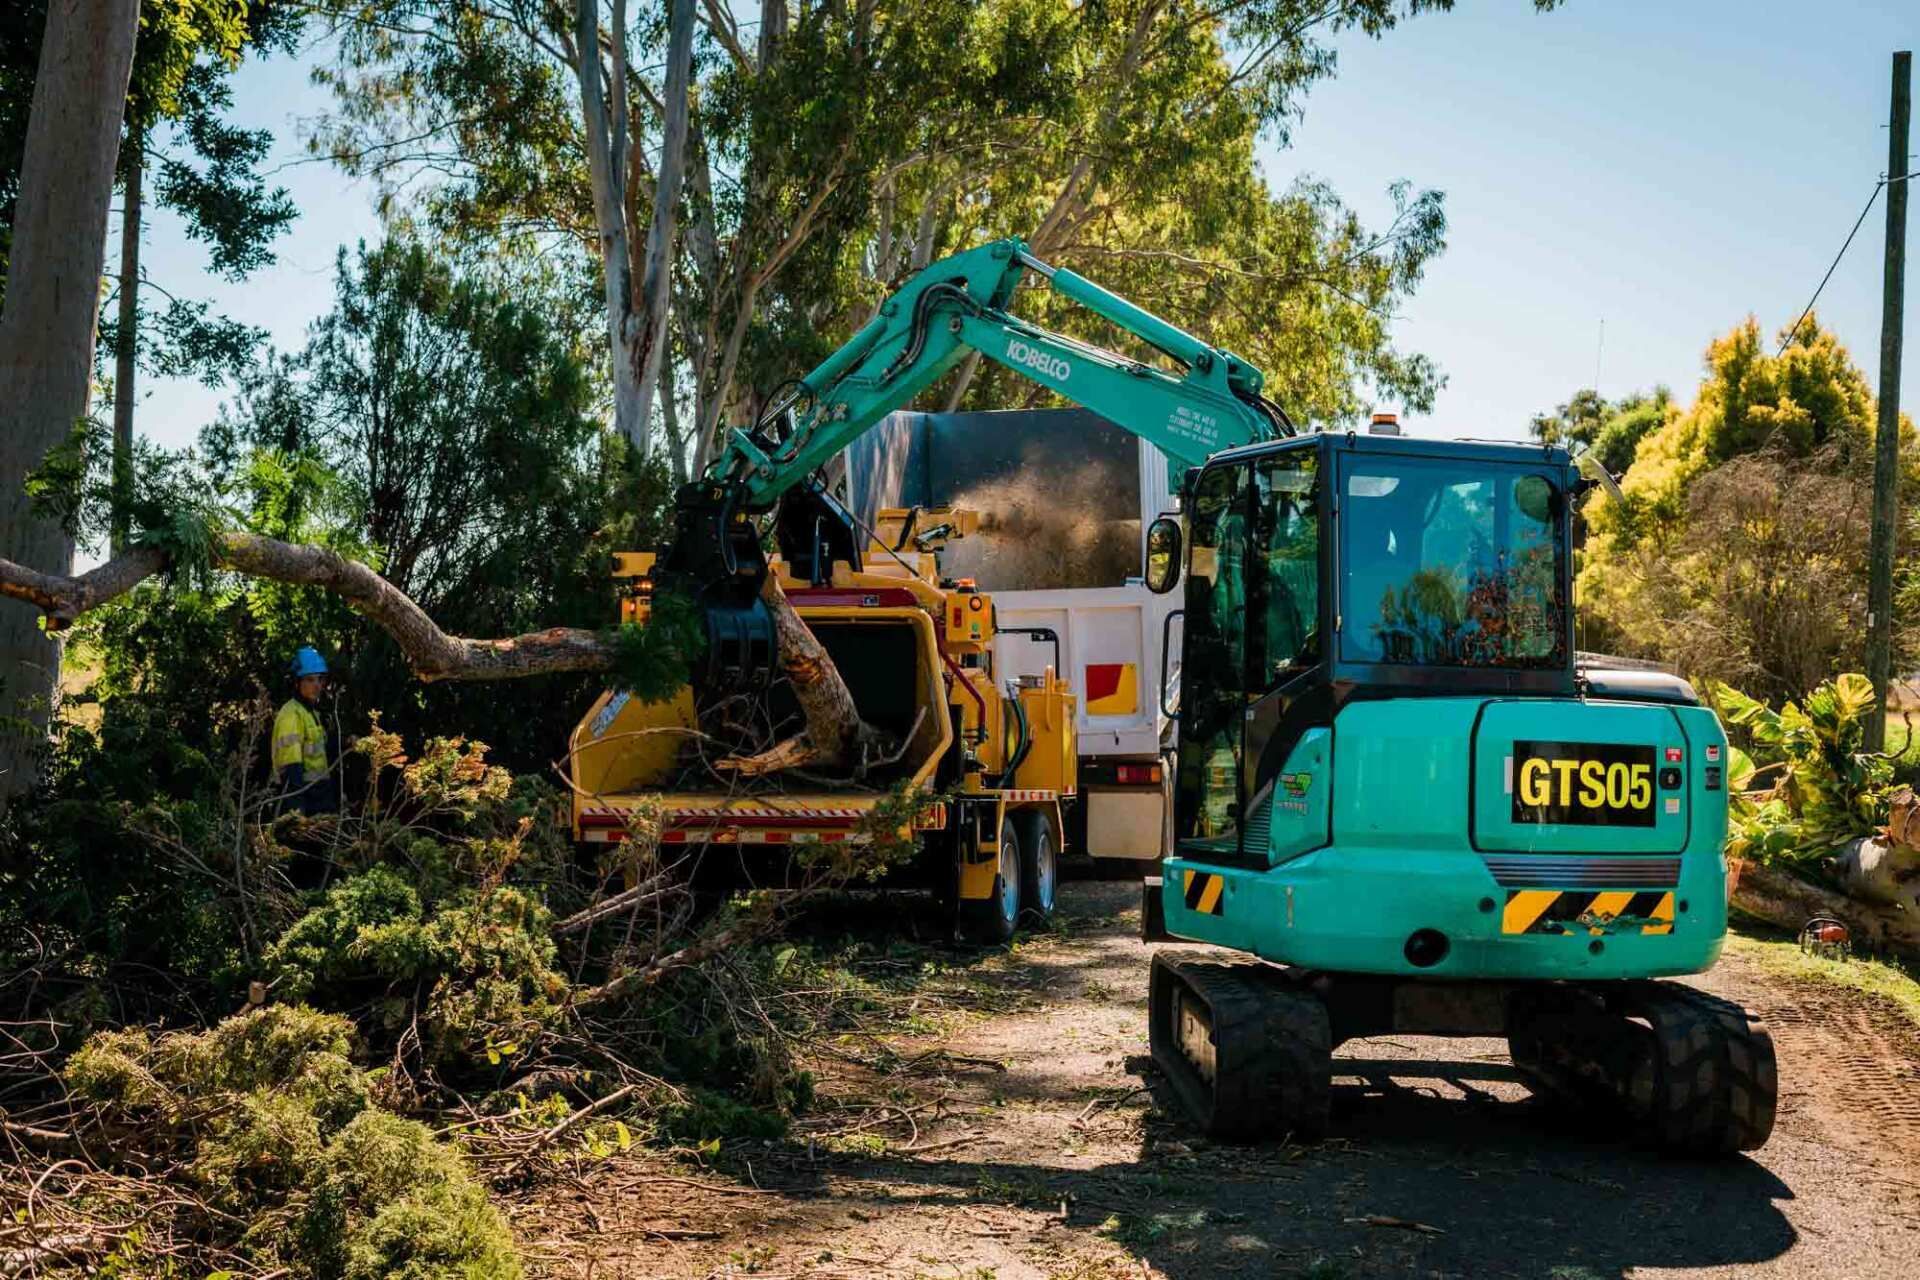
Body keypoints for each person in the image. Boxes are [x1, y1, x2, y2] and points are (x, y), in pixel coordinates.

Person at [274, 647, 338, 815]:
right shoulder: (291, 714)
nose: (317, 685)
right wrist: (296, 810)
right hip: (304, 799)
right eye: (310, 680)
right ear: (297, 683)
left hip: (320, 796)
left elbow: (320, 752)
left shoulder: (312, 713)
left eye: (319, 679)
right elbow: (291, 766)